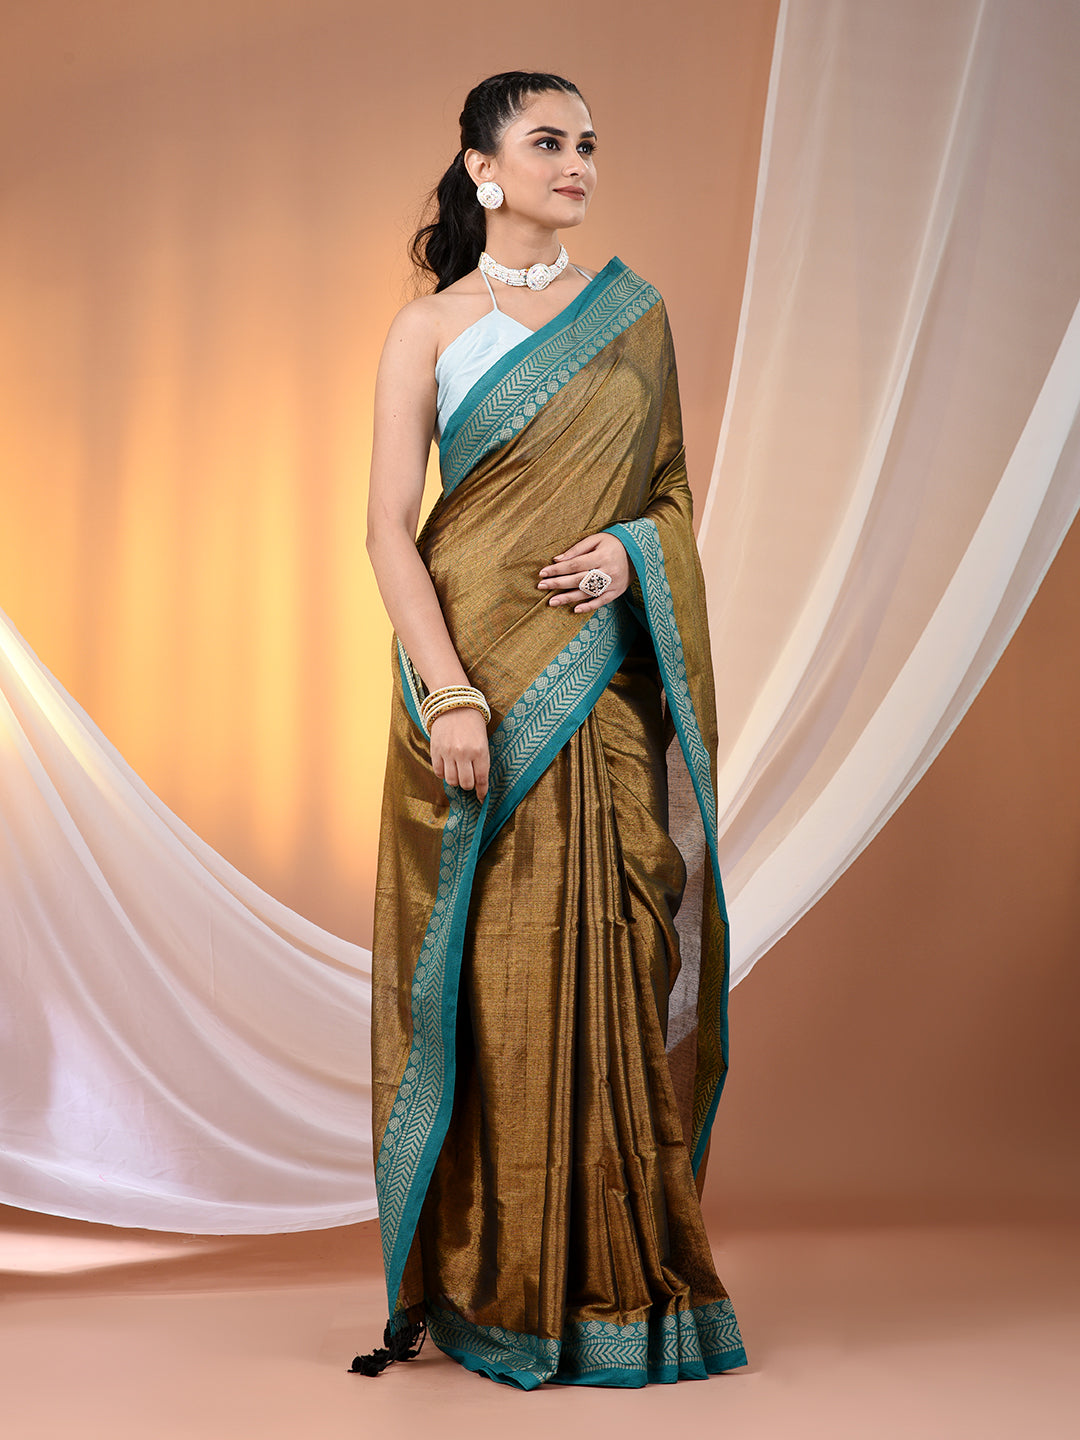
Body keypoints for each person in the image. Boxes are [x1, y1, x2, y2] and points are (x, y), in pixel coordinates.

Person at [354, 70, 748, 1389]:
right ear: (482, 167)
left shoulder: (636, 317)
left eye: (587, 144)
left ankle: (625, 1290)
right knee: (498, 992)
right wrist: (450, 693)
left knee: (616, 963)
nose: (576, 162)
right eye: (547, 142)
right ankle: (496, 1291)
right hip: (479, 693)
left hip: (604, 696)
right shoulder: (429, 329)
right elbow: (388, 532)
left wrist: (636, 556)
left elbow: (673, 493)